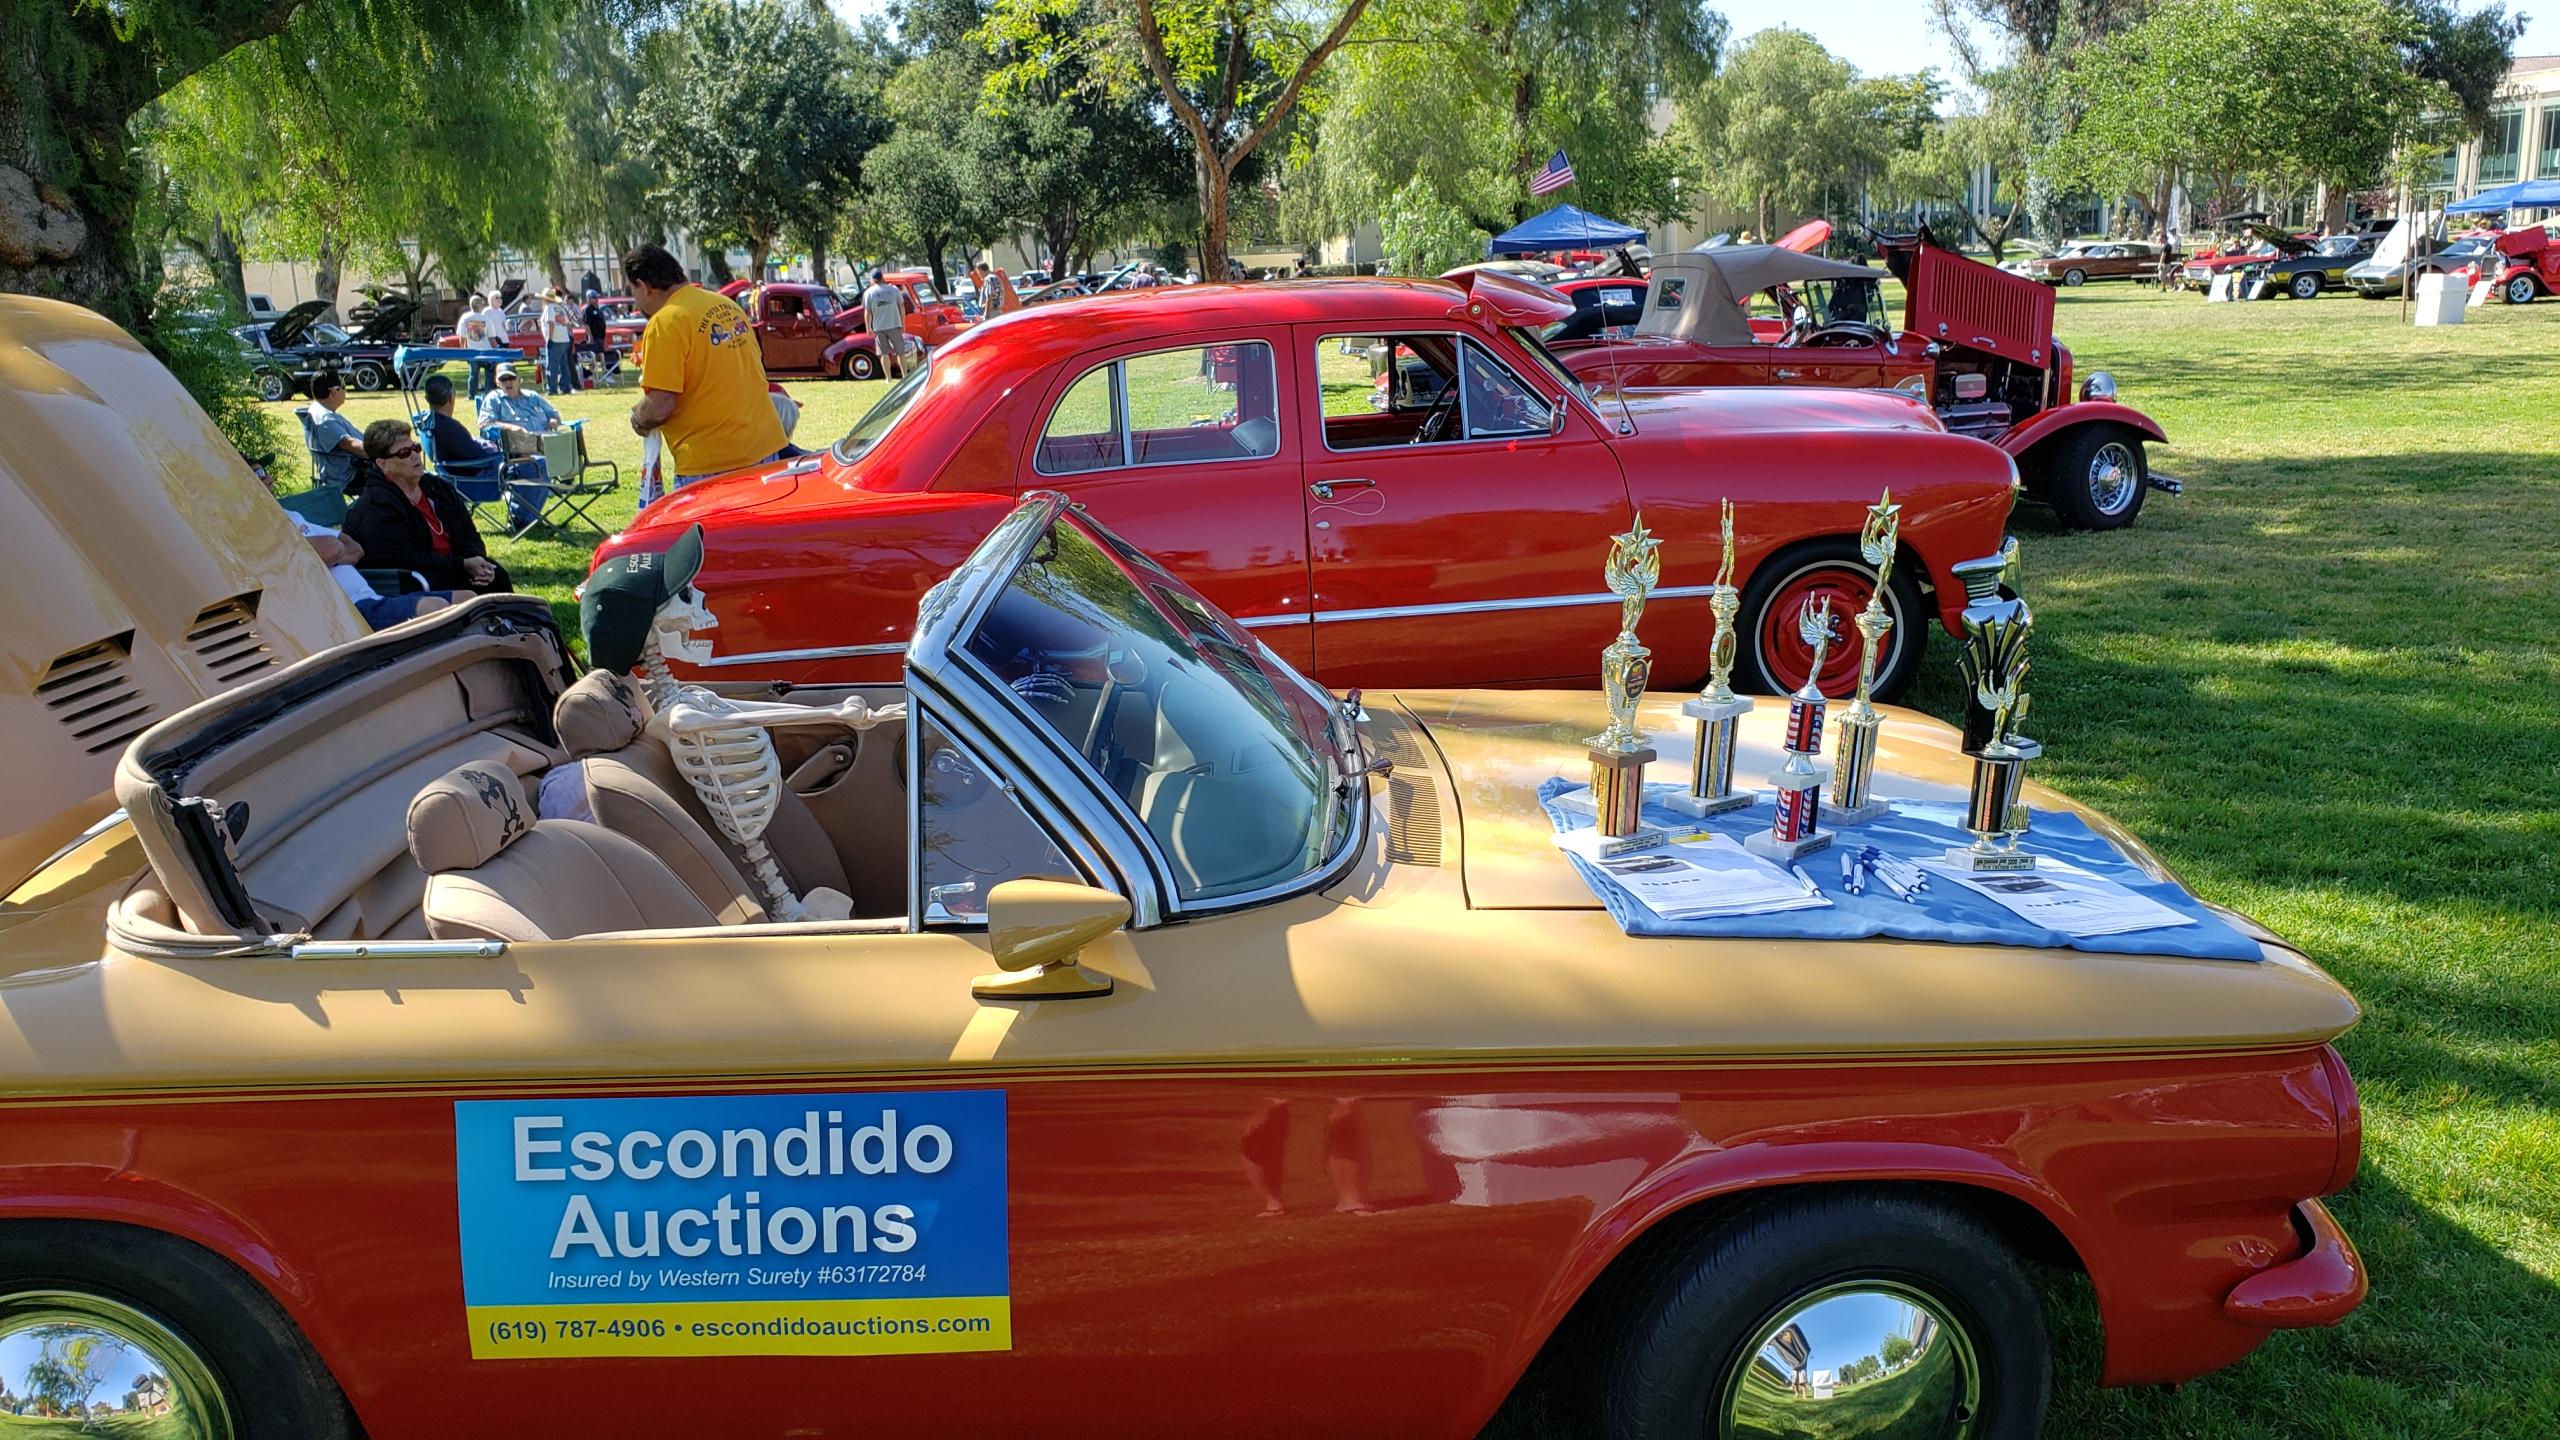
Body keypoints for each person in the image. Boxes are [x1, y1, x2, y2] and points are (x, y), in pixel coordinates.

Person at [623, 242, 785, 488]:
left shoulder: (665, 322)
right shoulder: (727, 306)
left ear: (643, 286)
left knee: (714, 528)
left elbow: (660, 405)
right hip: (765, 448)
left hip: (712, 463)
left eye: (632, 291)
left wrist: (637, 418)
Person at [341, 418, 512, 595]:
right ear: (383, 464)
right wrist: (462, 565)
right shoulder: (376, 505)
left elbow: (467, 532)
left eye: (415, 448)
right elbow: (405, 558)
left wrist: (476, 559)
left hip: (452, 567)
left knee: (495, 575)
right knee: (461, 589)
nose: (415, 455)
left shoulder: (437, 488)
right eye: (404, 453)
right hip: (413, 579)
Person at [422, 372, 547, 529]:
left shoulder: (429, 422)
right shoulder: (448, 427)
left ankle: (522, 516)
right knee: (538, 463)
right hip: (475, 479)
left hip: (452, 474)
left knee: (525, 460)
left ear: (427, 399)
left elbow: (467, 448)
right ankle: (523, 520)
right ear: (451, 397)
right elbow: (479, 456)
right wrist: (498, 450)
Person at [288, 512, 453, 629]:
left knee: (468, 599)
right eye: (260, 474)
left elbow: (355, 549)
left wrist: (332, 560)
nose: (269, 478)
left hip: (375, 598)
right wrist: (332, 554)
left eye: (265, 472)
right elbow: (332, 548)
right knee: (438, 607)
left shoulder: (292, 515)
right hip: (351, 613)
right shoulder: (273, 531)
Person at [303, 373, 367, 493]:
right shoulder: (325, 418)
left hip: (347, 469)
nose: (345, 391)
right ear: (333, 391)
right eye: (343, 387)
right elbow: (349, 444)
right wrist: (380, 451)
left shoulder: (318, 409)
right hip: (351, 474)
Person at [860, 270, 908, 379]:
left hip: (879, 327)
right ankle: (904, 375)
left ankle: (888, 378)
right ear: (883, 277)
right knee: (900, 352)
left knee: (884, 353)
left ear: (873, 279)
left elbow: (867, 312)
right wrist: (903, 323)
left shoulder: (869, 293)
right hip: (895, 324)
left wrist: (868, 328)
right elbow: (901, 307)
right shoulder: (894, 290)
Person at [539, 287, 579, 395]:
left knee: (552, 366)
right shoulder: (560, 308)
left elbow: (550, 323)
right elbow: (568, 324)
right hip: (564, 339)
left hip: (555, 339)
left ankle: (552, 389)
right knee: (564, 365)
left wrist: (549, 338)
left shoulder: (549, 308)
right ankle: (566, 387)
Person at [580, 288, 614, 382]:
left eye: (597, 297)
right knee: (599, 355)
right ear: (589, 299)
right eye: (594, 298)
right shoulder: (588, 309)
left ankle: (591, 376)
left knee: (596, 357)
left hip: (600, 337)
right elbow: (586, 324)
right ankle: (605, 372)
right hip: (594, 337)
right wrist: (590, 336)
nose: (597, 299)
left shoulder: (598, 309)